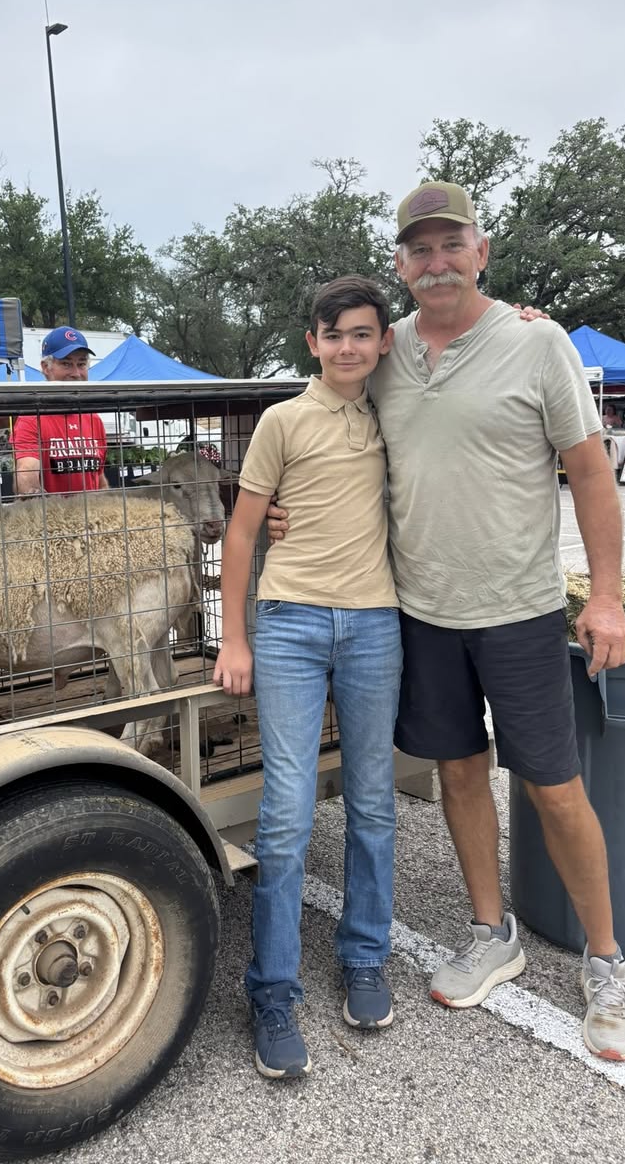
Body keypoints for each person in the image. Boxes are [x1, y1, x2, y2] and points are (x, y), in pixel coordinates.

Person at [268, 182, 625, 1063]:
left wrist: (607, 593)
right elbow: (325, 439)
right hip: (419, 612)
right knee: (460, 777)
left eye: (451, 245)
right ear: (401, 264)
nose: (435, 262)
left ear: (482, 252)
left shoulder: (536, 341)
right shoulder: (382, 350)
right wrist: (287, 512)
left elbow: (589, 473)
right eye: (418, 249)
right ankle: (490, 932)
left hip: (516, 610)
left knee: (553, 787)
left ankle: (606, 959)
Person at [214, 276, 402, 1079]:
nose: (350, 347)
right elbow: (242, 532)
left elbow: (464, 355)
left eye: (364, 334)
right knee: (286, 815)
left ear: (383, 342)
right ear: (313, 342)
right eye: (336, 335)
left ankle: (365, 955)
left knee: (372, 803)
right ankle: (273, 990)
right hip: (290, 623)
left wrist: (526, 316)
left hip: (374, 623)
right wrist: (235, 638)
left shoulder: (399, 408)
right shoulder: (283, 420)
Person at [12, 327, 109, 494]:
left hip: (92, 516)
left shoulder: (93, 419)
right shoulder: (31, 418)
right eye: (66, 364)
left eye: (81, 364)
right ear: (46, 367)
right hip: (55, 517)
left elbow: (98, 478)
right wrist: (32, 494)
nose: (76, 373)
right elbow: (26, 472)